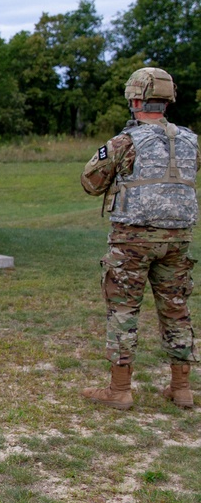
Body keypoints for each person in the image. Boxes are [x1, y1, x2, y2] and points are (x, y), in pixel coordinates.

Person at [80, 67, 199, 410]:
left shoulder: (125, 142)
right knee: (177, 310)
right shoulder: (191, 140)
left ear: (135, 99)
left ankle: (119, 390)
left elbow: (90, 183)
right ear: (168, 99)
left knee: (123, 311)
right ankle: (181, 388)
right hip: (178, 240)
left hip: (132, 240)